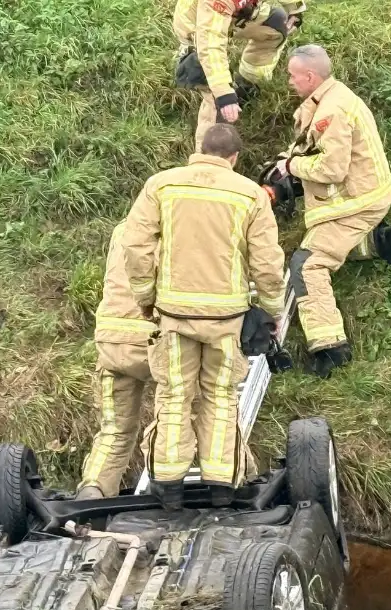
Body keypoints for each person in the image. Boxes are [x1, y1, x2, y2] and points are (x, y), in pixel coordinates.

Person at [122, 123, 286, 509]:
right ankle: (219, 485)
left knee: (175, 395)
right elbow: (267, 261)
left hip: (174, 317)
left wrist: (146, 297)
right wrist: (272, 309)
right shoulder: (249, 196)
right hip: (225, 321)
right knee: (220, 396)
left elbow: (136, 246)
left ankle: (168, 486)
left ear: (198, 149)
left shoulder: (162, 186)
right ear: (234, 158)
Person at [273, 44, 391, 378]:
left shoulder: (332, 111)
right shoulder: (330, 97)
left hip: (355, 201)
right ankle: (385, 244)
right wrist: (286, 162)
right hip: (364, 194)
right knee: (336, 244)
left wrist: (293, 168)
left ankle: (331, 347)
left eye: (292, 75)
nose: (289, 81)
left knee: (308, 264)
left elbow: (332, 169)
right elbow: (314, 147)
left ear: (310, 76)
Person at [75, 219, 159, 501]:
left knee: (114, 430)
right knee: (178, 416)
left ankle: (93, 490)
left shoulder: (123, 228)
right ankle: (167, 481)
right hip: (158, 340)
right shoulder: (178, 227)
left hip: (112, 342)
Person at [173, 0, 307, 149]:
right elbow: (211, 45)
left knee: (276, 25)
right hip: (200, 23)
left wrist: (295, 9)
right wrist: (224, 92)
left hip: (240, 13)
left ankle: (247, 85)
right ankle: (207, 160)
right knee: (215, 94)